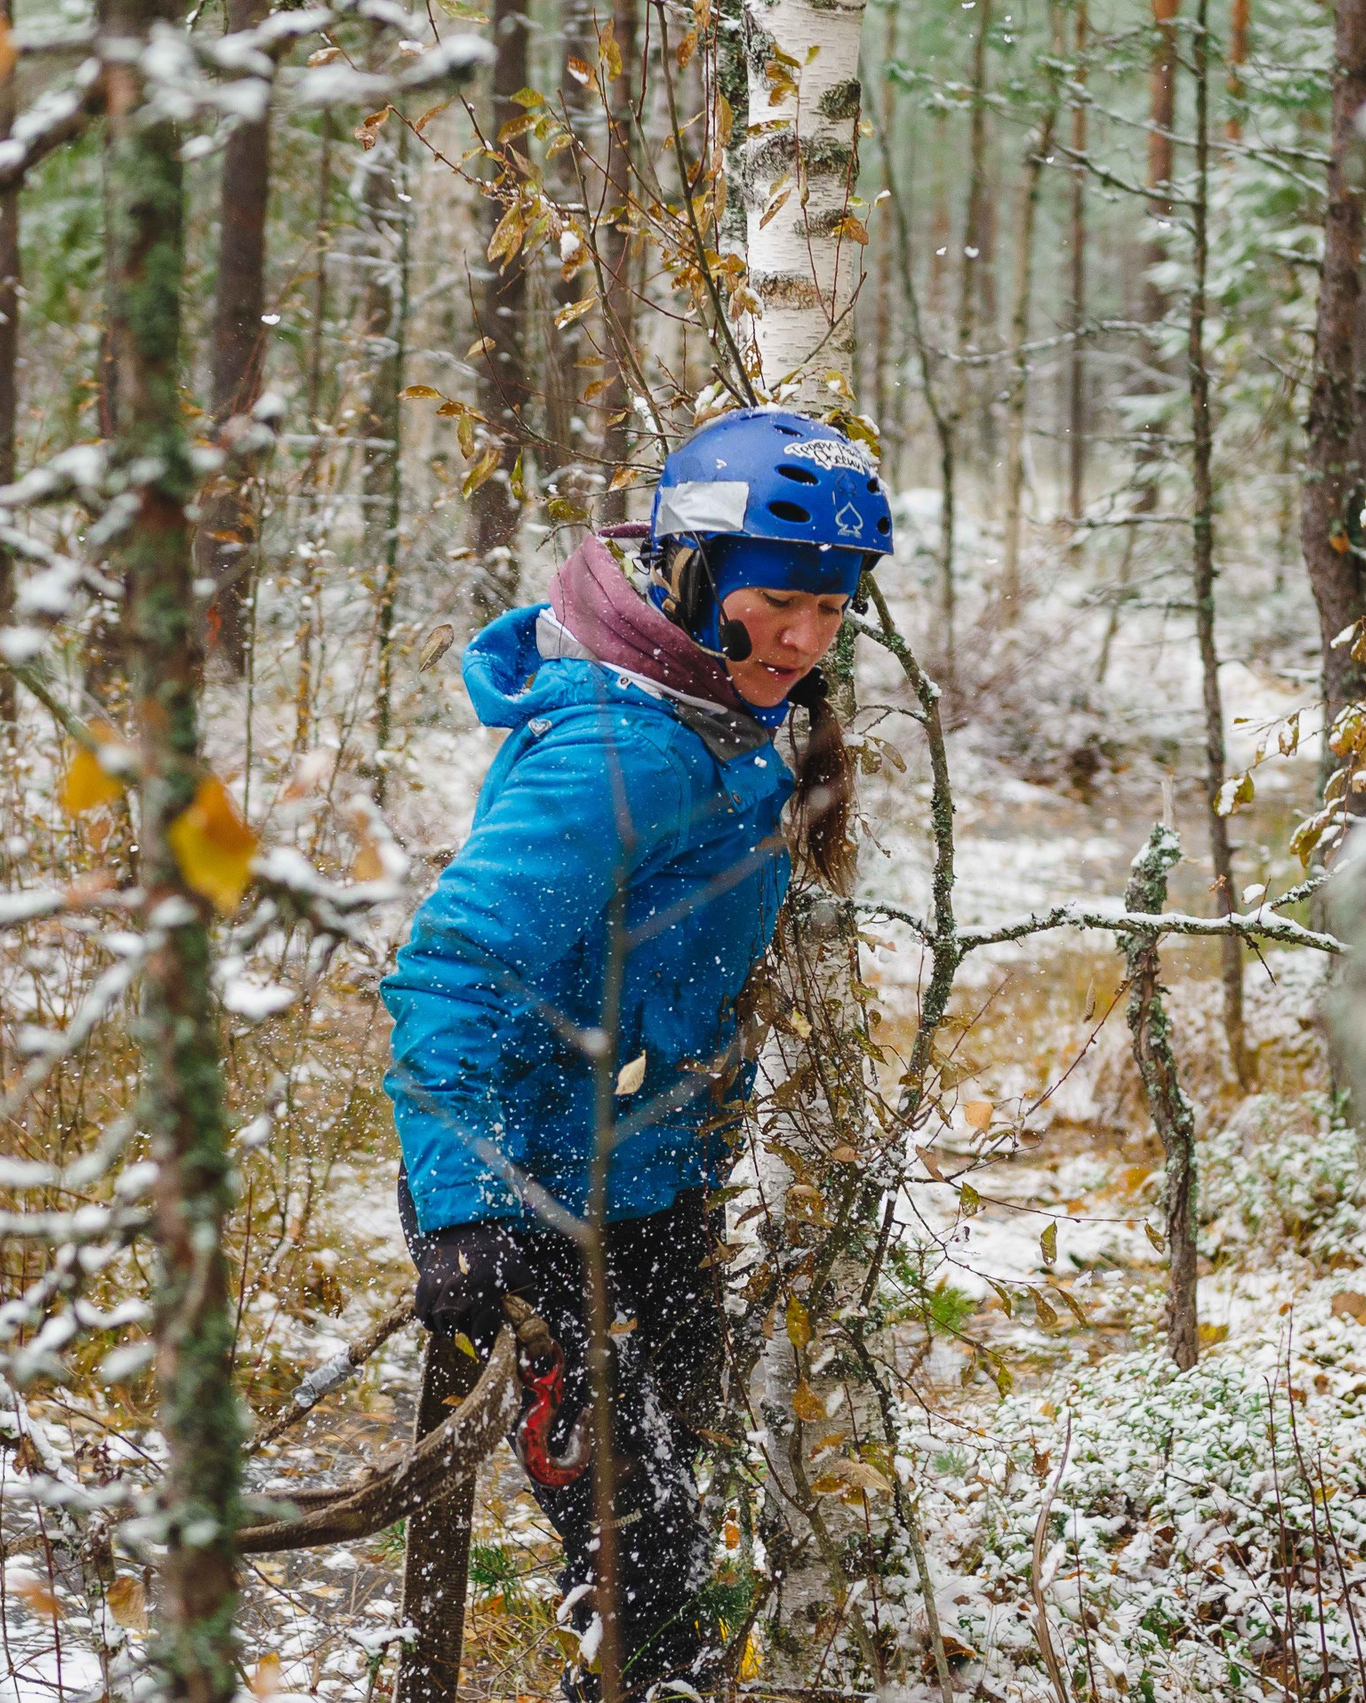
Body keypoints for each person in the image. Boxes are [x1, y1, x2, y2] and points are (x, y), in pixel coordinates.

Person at [380, 407, 893, 1696]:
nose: (805, 640)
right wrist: (458, 1212)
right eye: (779, 602)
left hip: (654, 1176)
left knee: (661, 1519)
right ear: (697, 575)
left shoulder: (719, 707)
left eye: (833, 613)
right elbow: (451, 968)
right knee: (644, 1575)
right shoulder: (619, 752)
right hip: (534, 1198)